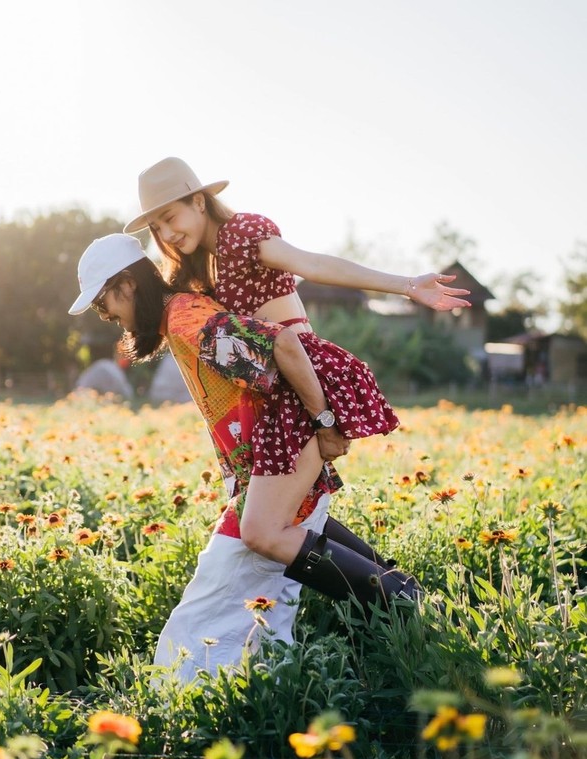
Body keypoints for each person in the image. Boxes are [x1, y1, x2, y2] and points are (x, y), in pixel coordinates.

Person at [69, 234, 419, 681]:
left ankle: (398, 596)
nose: (109, 317)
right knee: (286, 540)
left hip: (282, 449)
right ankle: (393, 593)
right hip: (266, 463)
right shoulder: (180, 318)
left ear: (126, 286)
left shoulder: (185, 322)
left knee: (209, 604)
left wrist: (326, 422)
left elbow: (284, 346)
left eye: (104, 305)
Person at [122, 157, 470, 585]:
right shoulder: (209, 262)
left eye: (170, 217)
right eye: (156, 227)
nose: (167, 234)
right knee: (289, 518)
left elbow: (312, 265)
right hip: (283, 386)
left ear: (199, 201)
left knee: (262, 531)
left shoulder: (241, 234)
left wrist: (405, 284)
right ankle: (400, 596)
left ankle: (401, 599)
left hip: (304, 375)